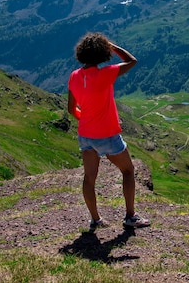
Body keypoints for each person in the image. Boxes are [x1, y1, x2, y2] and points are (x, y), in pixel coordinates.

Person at [68, 32, 150, 232]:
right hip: (107, 135)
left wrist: (86, 121)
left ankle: (95, 220)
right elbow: (132, 61)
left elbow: (71, 109)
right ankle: (130, 216)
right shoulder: (106, 73)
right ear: (103, 53)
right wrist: (113, 46)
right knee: (128, 171)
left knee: (89, 178)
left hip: (85, 135)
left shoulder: (74, 76)